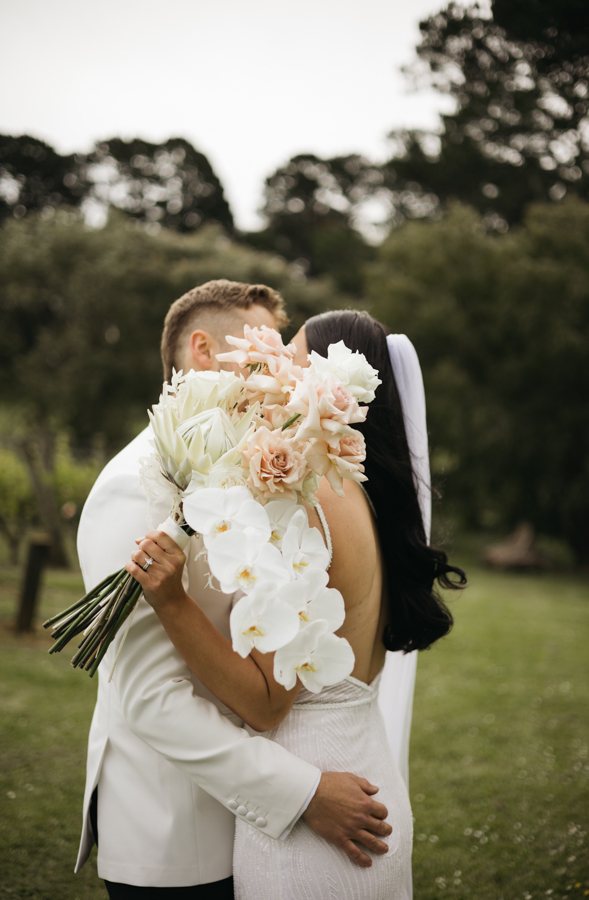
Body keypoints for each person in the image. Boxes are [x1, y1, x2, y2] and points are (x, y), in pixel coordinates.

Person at [129, 309, 466, 899]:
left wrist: (171, 601)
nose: (272, 370)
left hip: (321, 814)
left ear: (321, 385)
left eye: (291, 356)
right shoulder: (368, 498)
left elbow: (267, 703)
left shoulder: (305, 496)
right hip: (369, 778)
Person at [76, 289, 393, 900]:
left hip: (249, 832)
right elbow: (149, 699)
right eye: (262, 347)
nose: (276, 366)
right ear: (204, 349)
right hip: (180, 840)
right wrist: (301, 793)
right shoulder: (133, 488)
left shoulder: (243, 465)